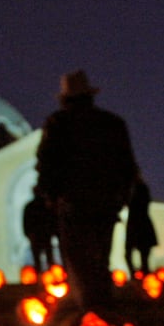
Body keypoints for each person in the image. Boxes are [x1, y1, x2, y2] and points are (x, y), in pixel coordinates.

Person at [35, 70, 137, 308]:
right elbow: (128, 166)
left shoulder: (58, 123)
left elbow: (46, 163)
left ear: (64, 98)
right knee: (101, 258)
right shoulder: (113, 123)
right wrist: (121, 197)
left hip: (74, 204)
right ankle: (104, 306)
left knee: (79, 261)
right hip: (106, 203)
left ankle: (90, 312)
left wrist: (50, 196)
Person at [124, 173, 157, 277]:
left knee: (144, 255)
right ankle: (135, 276)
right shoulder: (130, 190)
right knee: (129, 253)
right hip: (136, 224)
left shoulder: (139, 189)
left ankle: (144, 275)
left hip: (140, 224)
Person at [21, 187, 58, 275]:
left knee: (46, 258)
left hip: (43, 235)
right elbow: (26, 222)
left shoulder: (40, 206)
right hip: (39, 236)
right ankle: (44, 276)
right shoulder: (35, 207)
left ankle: (49, 276)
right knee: (41, 259)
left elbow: (51, 220)